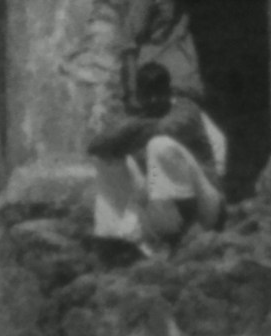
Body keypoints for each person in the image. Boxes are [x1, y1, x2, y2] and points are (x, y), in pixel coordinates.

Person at [88, 62, 224, 259]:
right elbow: (96, 146)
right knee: (107, 159)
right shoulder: (140, 119)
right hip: (160, 205)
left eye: (159, 94)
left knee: (160, 144)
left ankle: (183, 235)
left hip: (204, 206)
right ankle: (111, 238)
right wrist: (129, 129)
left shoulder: (187, 110)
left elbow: (165, 129)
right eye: (147, 95)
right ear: (139, 96)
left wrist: (128, 129)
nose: (153, 100)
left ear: (169, 91)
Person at [121, 0, 203, 108]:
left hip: (185, 83)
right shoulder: (143, 5)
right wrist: (132, 93)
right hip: (156, 80)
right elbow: (130, 49)